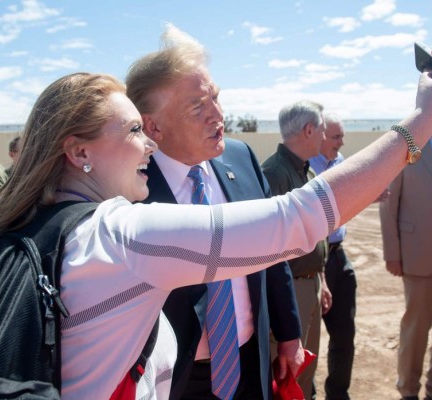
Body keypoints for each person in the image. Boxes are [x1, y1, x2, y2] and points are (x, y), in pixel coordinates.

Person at [0, 46, 432, 399]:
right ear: (79, 152)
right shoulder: (120, 234)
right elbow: (300, 219)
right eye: (134, 131)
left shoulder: (33, 225)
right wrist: (420, 123)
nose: (148, 143)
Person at [126, 24, 304, 400]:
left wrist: (289, 333)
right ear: (152, 126)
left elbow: (273, 248)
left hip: (249, 360)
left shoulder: (241, 157)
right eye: (197, 107)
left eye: (216, 99)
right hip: (174, 379)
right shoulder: (129, 190)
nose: (218, 115)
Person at [379, 100, 432, 400]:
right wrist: (393, 252)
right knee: (416, 330)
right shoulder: (410, 150)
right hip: (418, 256)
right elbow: (389, 204)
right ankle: (408, 392)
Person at [262, 100, 332, 400]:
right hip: (290, 290)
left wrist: (322, 279)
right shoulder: (273, 174)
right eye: (323, 130)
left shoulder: (306, 172)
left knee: (305, 370)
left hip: (311, 284)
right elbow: (267, 249)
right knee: (287, 373)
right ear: (308, 130)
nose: (325, 137)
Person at [309, 113, 356, 400]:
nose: (342, 142)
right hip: (313, 258)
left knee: (344, 335)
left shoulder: (342, 163)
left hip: (339, 254)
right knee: (309, 337)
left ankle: (338, 394)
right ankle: (308, 394)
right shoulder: (307, 167)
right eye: (337, 136)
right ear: (320, 135)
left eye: (342, 136)